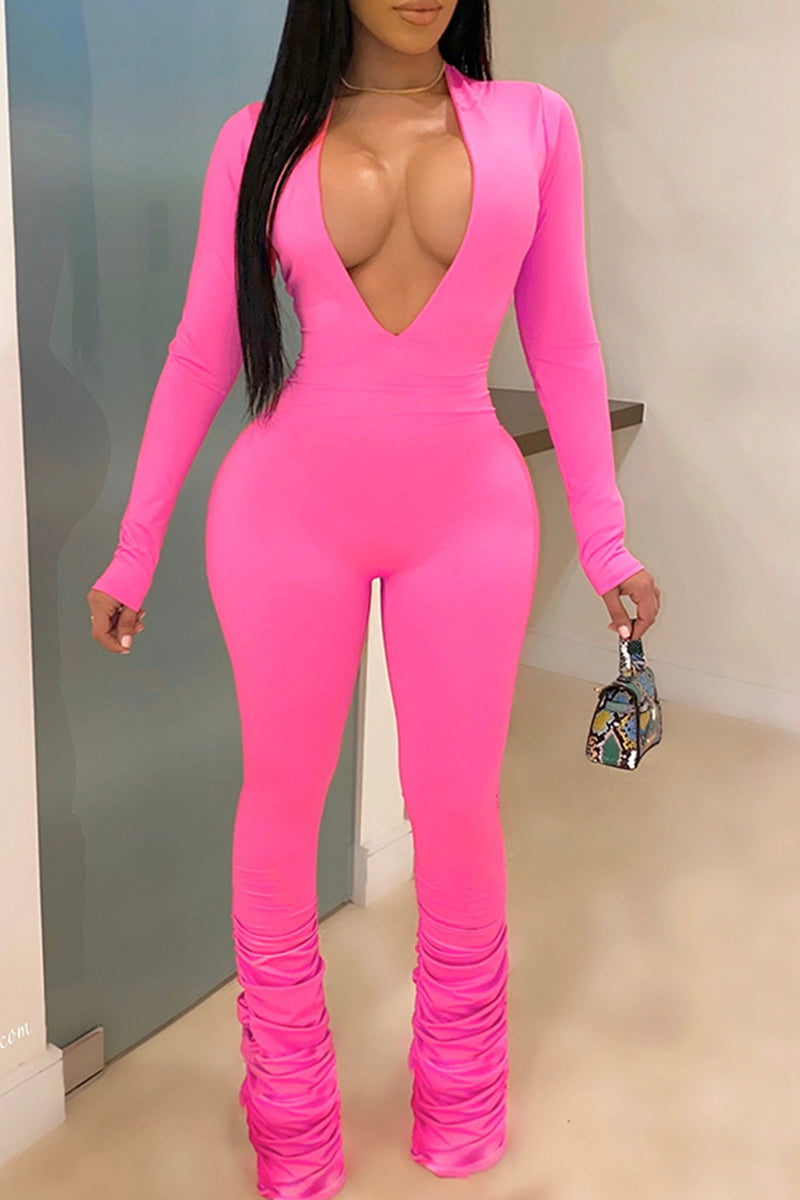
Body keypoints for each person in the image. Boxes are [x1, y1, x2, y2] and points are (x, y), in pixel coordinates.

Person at [87, 1, 661, 1197]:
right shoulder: (256, 138)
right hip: (283, 513)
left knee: (455, 807)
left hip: (469, 517)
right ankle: (292, 1130)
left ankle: (461, 1106)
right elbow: (202, 350)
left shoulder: (533, 124)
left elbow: (562, 343)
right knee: (280, 799)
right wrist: (133, 549)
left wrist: (605, 542)